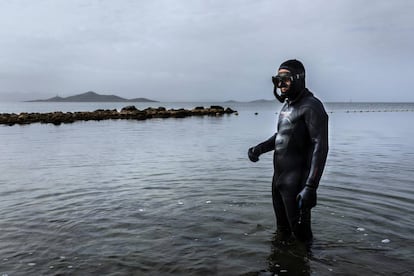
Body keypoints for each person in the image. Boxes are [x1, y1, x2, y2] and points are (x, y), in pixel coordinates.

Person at [248, 59, 328, 244]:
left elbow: (320, 147)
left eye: (286, 79)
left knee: (301, 236)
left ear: (299, 79)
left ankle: (309, 266)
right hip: (279, 179)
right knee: (282, 232)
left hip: (297, 183)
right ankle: (279, 266)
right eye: (277, 80)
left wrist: (311, 187)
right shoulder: (288, 106)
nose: (281, 84)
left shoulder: (312, 106)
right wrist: (259, 149)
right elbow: (283, 135)